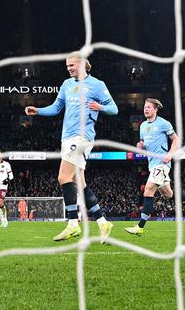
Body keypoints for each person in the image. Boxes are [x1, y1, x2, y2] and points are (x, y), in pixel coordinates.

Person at [26, 52, 118, 242]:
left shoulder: (97, 85)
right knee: (79, 183)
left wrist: (100, 108)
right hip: (67, 138)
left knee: (63, 177)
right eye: (67, 65)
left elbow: (114, 109)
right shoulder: (67, 84)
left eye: (72, 65)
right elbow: (56, 107)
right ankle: (103, 222)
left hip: (82, 137)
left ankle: (72, 224)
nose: (69, 68)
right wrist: (38, 111)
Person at [125, 98, 183, 237]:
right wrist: (140, 146)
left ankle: (140, 227)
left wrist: (170, 154)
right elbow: (143, 143)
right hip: (152, 165)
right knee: (168, 194)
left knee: (148, 190)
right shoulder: (143, 126)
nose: (145, 109)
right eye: (144, 107)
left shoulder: (164, 123)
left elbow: (176, 140)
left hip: (162, 164)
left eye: (148, 107)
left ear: (155, 109)